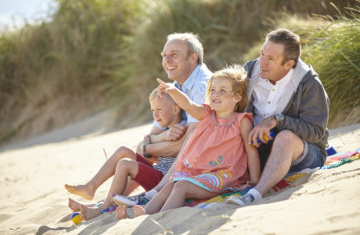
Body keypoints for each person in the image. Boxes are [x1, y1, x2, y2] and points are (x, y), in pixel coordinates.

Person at [115, 65, 260, 219]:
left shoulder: (241, 122)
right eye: (213, 90)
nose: (216, 94)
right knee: (170, 185)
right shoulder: (207, 114)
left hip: (223, 176)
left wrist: (255, 179)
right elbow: (189, 105)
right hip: (198, 172)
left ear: (237, 97)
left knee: (181, 186)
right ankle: (146, 214)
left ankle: (162, 217)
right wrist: (172, 91)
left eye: (223, 91)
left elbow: (251, 151)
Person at [226, 28, 329, 206]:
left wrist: (277, 121)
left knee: (285, 138)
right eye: (262, 54)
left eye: (270, 59)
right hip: (258, 152)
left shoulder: (309, 84)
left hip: (303, 155)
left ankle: (256, 194)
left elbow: (316, 132)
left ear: (288, 64)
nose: (262, 62)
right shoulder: (250, 72)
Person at [112, 32, 213, 206]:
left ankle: (151, 193)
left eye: (174, 55)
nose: (167, 61)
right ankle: (112, 201)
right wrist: (155, 142)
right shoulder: (175, 86)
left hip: (210, 155)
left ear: (193, 58)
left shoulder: (202, 84)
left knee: (187, 138)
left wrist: (149, 147)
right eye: (164, 56)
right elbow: (149, 138)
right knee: (130, 155)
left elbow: (187, 143)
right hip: (180, 158)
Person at [66, 88, 187, 220]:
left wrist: (150, 144)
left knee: (124, 164)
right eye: (153, 110)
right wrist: (153, 142)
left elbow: (151, 147)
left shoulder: (181, 129)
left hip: (162, 181)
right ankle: (92, 191)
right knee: (123, 151)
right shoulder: (165, 128)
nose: (155, 115)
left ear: (176, 110)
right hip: (157, 172)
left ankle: (102, 208)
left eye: (159, 110)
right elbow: (145, 145)